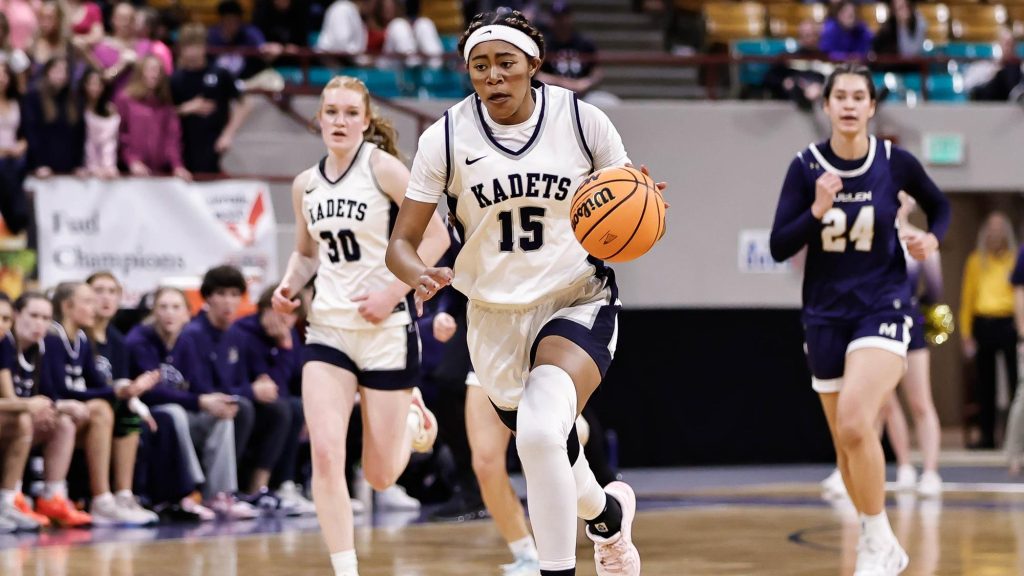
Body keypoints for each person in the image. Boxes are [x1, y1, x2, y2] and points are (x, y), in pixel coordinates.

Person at [386, 10, 656, 576]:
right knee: (546, 442)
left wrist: (643, 204)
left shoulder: (583, 122)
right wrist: (418, 273)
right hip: (492, 315)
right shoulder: (447, 136)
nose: (493, 77)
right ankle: (607, 517)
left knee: (538, 429)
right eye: (479, 66)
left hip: (575, 297)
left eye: (506, 64)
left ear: (533, 64)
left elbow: (628, 193)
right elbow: (401, 244)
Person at [770, 63, 950, 575]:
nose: (849, 105)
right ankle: (881, 539)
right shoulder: (805, 168)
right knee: (847, 443)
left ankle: (877, 540)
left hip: (884, 305)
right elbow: (781, 244)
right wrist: (818, 210)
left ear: (871, 107)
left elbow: (940, 207)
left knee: (855, 418)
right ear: (826, 106)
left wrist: (931, 238)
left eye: (858, 97)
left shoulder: (895, 162)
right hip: (825, 315)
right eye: (840, 96)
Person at [270, 74, 449, 576]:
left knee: (380, 473)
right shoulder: (304, 184)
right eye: (332, 112)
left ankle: (413, 417)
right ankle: (345, 569)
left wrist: (393, 292)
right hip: (328, 328)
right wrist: (287, 286)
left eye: (351, 112)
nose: (341, 121)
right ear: (319, 119)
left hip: (386, 329)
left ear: (366, 121)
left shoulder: (383, 168)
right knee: (326, 454)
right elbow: (307, 255)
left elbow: (437, 237)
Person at [126, 286, 254, 519]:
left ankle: (219, 495)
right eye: (163, 307)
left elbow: (200, 385)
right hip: (151, 414)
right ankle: (189, 489)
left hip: (185, 413)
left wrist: (215, 401)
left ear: (187, 313)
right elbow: (152, 393)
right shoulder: (139, 341)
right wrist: (200, 401)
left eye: (176, 308)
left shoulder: (189, 341)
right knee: (174, 412)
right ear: (154, 312)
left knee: (221, 415)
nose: (169, 313)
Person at [46, 281, 158, 525]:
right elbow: (58, 389)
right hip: (55, 410)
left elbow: (96, 383)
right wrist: (114, 394)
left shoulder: (82, 339)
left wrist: (125, 390)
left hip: (76, 411)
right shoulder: (52, 337)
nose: (94, 308)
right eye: (88, 301)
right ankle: (101, 499)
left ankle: (124, 495)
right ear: (67, 306)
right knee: (101, 408)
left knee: (127, 409)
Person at [1, 292, 92, 527]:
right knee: (23, 419)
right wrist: (27, 406)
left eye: (45, 317)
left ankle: (51, 497)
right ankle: (10, 499)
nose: (39, 323)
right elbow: (15, 402)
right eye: (33, 315)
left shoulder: (31, 348)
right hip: (11, 422)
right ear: (19, 315)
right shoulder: (8, 345)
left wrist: (52, 407)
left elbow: (35, 396)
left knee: (62, 421)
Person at [222, 286, 314, 514]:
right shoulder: (240, 332)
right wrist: (252, 390)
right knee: (281, 410)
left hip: (269, 406)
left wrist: (284, 347)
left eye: (292, 314)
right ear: (265, 308)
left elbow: (286, 385)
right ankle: (255, 487)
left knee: (297, 407)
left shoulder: (288, 337)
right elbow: (226, 382)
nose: (285, 318)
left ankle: (284, 485)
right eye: (281, 310)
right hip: (242, 404)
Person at [960, 211, 1017, 450]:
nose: (995, 233)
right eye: (991, 229)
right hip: (983, 323)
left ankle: (1014, 438)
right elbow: (967, 299)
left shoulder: (1016, 259)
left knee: (1016, 383)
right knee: (985, 385)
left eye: (999, 228)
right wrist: (965, 335)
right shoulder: (975, 260)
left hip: (1010, 323)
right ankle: (987, 437)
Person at [170, 23, 253, 175]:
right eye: (188, 46)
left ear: (204, 46)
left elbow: (245, 104)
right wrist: (186, 108)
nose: (193, 52)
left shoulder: (220, 73)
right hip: (184, 148)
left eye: (197, 45)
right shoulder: (175, 79)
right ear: (181, 49)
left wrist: (228, 134)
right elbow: (163, 113)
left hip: (215, 146)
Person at [115, 54, 190, 179]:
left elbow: (172, 138)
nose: (155, 74)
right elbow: (119, 134)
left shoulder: (165, 104)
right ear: (140, 72)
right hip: (130, 172)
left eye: (159, 71)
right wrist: (131, 160)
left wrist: (177, 165)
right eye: (151, 69)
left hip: (158, 173)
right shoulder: (125, 99)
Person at [80, 67, 120, 178]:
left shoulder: (110, 110)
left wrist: (109, 166)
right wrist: (90, 167)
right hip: (83, 168)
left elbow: (110, 141)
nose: (95, 88)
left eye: (99, 84)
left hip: (107, 166)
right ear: (84, 85)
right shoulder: (77, 109)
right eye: (91, 84)